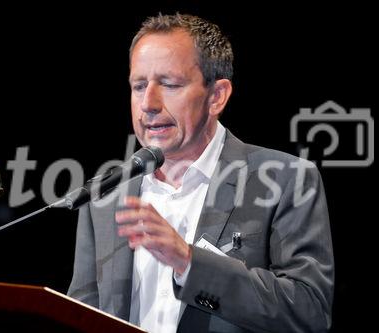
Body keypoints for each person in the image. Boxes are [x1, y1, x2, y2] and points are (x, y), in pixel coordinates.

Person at [68, 13, 334, 333]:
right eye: (139, 86)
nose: (148, 104)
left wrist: (189, 262)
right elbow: (79, 315)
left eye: (169, 84)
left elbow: (309, 311)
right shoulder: (107, 193)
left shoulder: (285, 180)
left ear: (216, 96)